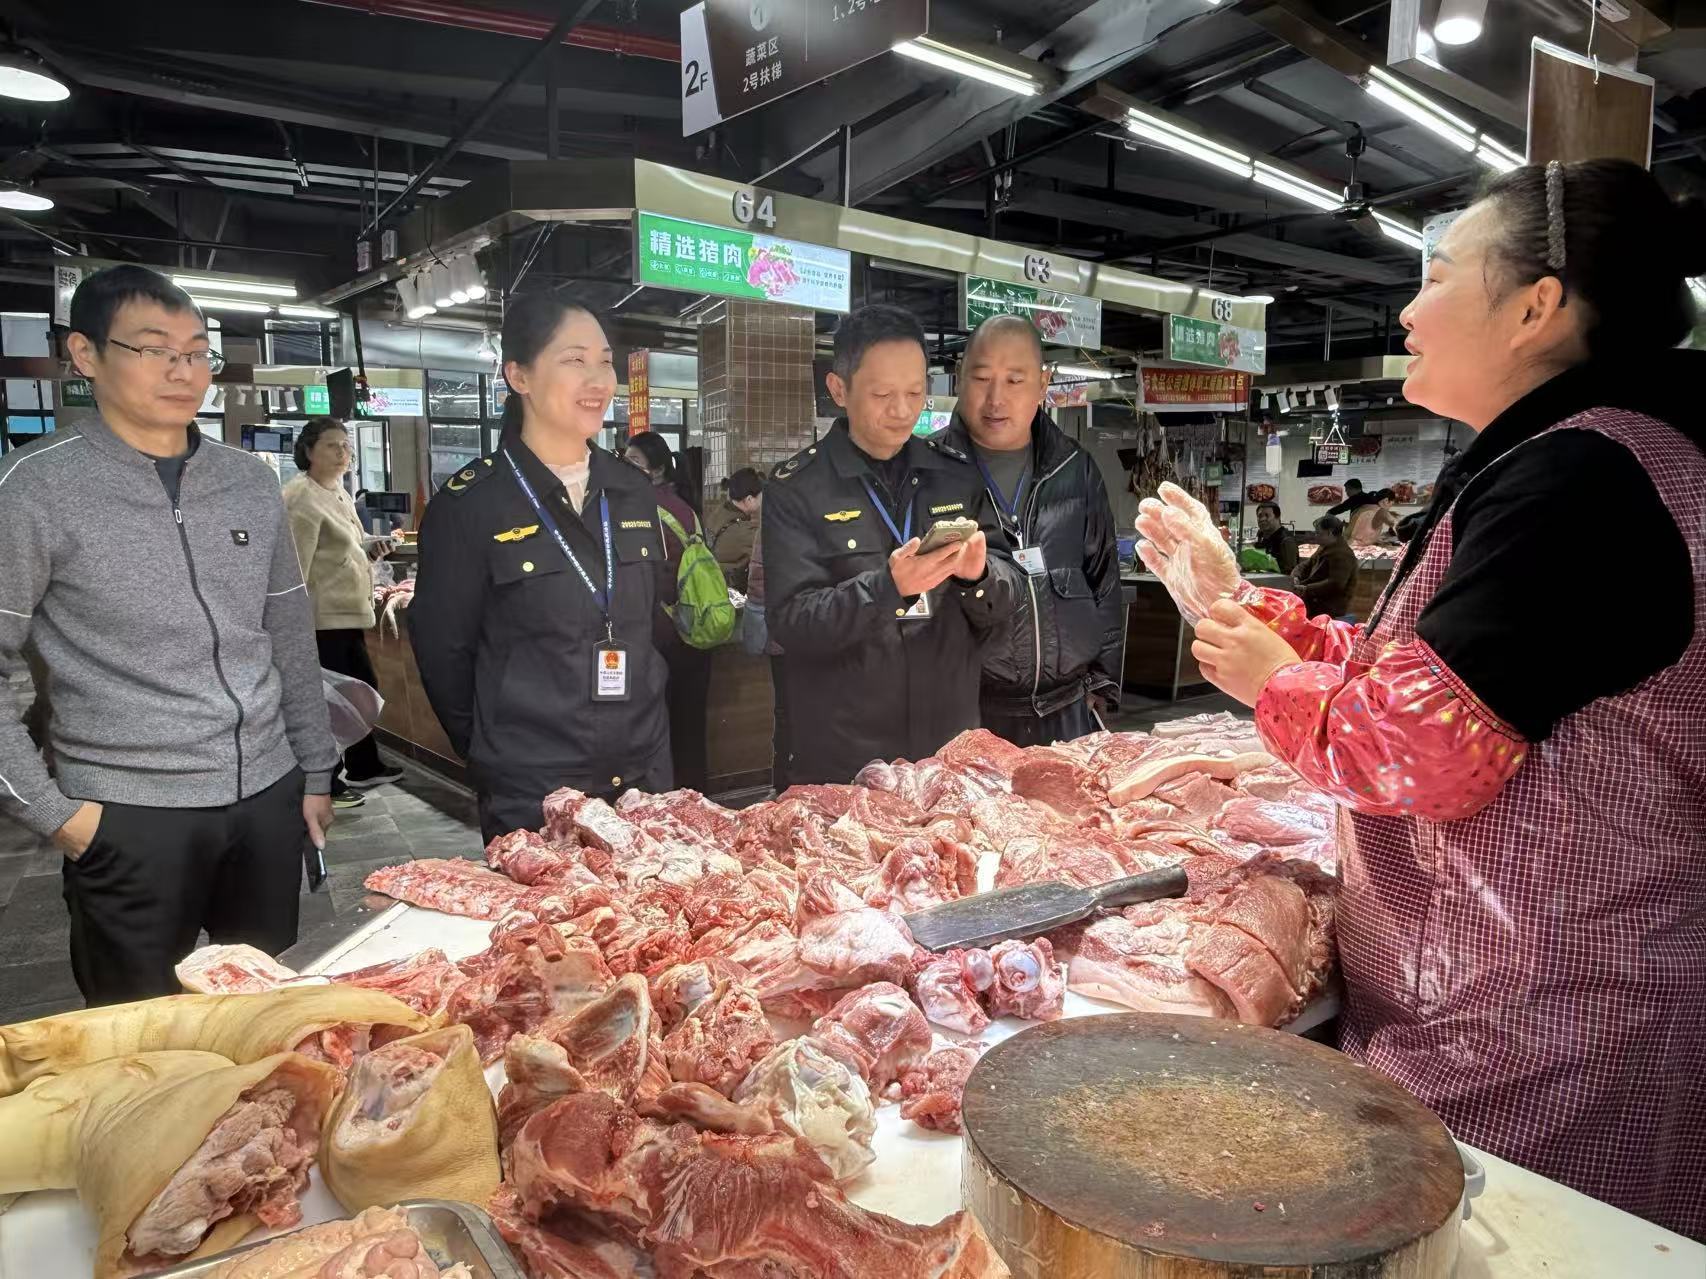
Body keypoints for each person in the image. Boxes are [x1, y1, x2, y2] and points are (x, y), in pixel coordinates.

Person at [1137, 159, 1706, 1238]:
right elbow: (1429, 672)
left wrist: (1269, 676)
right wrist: (1248, 613)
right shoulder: (1581, 457)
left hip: (1543, 1042)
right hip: (1531, 1009)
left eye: (1436, 273)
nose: (1403, 307)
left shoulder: (1581, 482)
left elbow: (1425, 755)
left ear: (1535, 307)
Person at [0, 265, 337, 1004]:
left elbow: (286, 629)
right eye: (156, 349)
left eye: (196, 351)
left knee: (265, 1021)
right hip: (127, 815)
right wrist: (56, 815)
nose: (184, 371)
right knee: (140, 1037)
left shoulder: (249, 478)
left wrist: (314, 769)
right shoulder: (35, 487)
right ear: (85, 354)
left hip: (265, 797)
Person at [410, 295, 674, 842]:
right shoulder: (471, 505)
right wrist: (497, 750)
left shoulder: (630, 491)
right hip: (535, 792)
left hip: (642, 780)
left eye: (605, 361)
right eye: (574, 360)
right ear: (519, 376)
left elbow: (648, 624)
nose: (598, 379)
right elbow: (443, 652)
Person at [763, 305, 1022, 784]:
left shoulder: (956, 476)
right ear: (839, 389)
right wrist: (886, 588)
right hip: (849, 758)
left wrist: (979, 577)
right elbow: (791, 622)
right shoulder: (797, 488)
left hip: (949, 751)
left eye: (916, 392)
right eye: (882, 394)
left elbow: (1007, 594)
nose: (903, 410)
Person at [944, 313, 1123, 746]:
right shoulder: (928, 470)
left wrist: (1103, 681)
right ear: (958, 378)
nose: (995, 400)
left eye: (1014, 381)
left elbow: (1104, 581)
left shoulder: (1075, 469)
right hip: (967, 713)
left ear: (1043, 384)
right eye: (981, 378)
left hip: (1068, 709)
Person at [283, 419, 404, 809]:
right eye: (332, 446)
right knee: (333, 701)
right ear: (308, 451)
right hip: (321, 620)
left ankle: (363, 763)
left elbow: (347, 548)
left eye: (346, 446)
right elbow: (294, 567)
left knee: (360, 693)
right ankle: (327, 781)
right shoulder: (300, 497)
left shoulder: (337, 492)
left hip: (349, 615)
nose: (343, 453)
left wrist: (374, 546)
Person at [622, 430, 712, 794]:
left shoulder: (645, 510)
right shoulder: (686, 506)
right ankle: (697, 804)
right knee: (690, 727)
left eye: (634, 462)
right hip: (694, 628)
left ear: (656, 469)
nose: (625, 468)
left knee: (662, 730)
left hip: (662, 634)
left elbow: (652, 579)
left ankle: (669, 806)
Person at [705, 466, 763, 591]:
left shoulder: (720, 511)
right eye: (760, 497)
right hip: (728, 592)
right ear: (749, 499)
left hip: (710, 583)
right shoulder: (744, 532)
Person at [1291, 515, 1356, 618]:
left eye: (1318, 533)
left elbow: (1336, 584)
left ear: (1330, 533)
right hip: (1314, 602)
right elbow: (1307, 564)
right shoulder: (1324, 547)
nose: (1315, 536)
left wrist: (1306, 589)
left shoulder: (1342, 554)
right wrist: (1296, 575)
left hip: (1328, 609)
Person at [1251, 500, 1298, 573]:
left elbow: (1289, 572)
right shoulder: (1262, 536)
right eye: (1260, 516)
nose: (1262, 519)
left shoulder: (1286, 540)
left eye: (1267, 515)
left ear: (1277, 517)